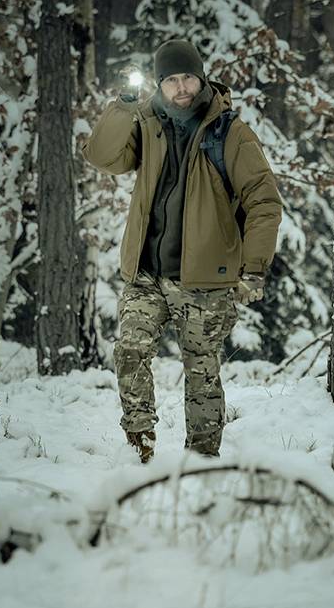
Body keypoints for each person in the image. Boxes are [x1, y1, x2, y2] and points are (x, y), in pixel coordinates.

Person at [81, 38, 283, 462]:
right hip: (146, 274)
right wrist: (122, 106)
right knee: (130, 351)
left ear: (201, 77)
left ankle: (201, 460)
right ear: (159, 84)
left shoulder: (230, 132)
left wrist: (254, 268)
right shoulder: (147, 122)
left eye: (187, 77)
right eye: (170, 80)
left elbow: (263, 201)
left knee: (201, 369)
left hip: (205, 280)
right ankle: (140, 447)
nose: (181, 88)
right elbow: (102, 158)